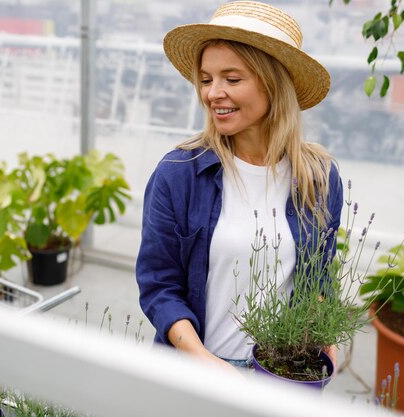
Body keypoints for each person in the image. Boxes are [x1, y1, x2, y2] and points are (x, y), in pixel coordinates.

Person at [136, 1, 343, 371]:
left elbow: (320, 276)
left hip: (283, 372)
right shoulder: (179, 174)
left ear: (274, 85)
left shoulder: (319, 176)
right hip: (196, 371)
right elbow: (159, 286)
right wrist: (203, 361)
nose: (213, 93)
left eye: (232, 79)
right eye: (205, 79)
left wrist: (323, 336)